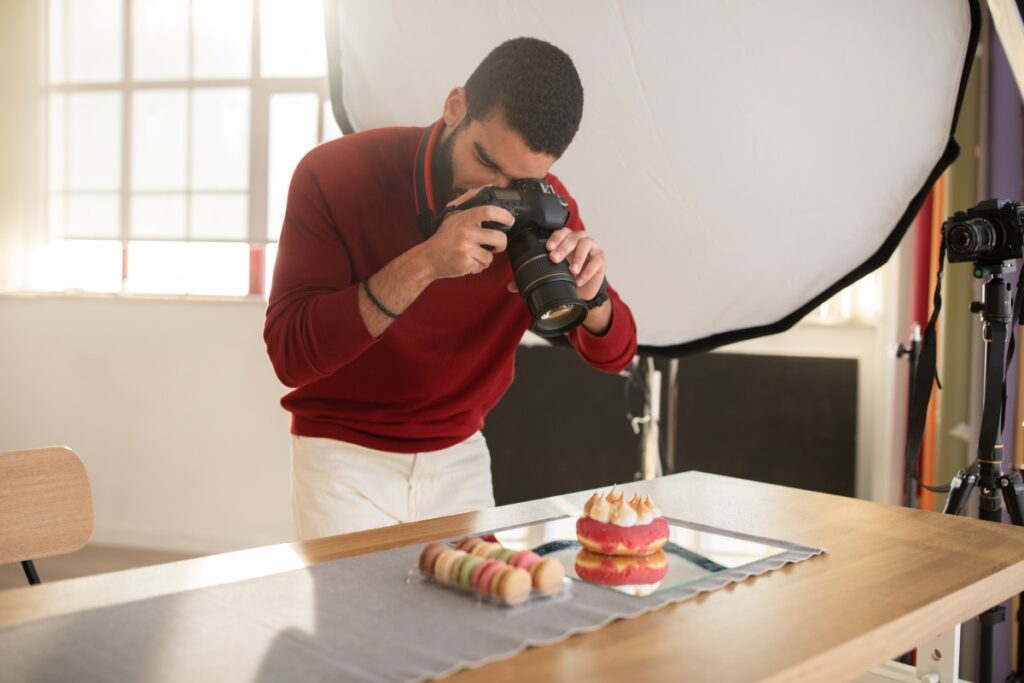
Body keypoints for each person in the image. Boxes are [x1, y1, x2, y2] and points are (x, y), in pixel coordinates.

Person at [264, 37, 637, 541]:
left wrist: (593, 297)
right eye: (484, 160)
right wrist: (424, 264)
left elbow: (614, 355)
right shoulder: (334, 174)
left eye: (520, 179)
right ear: (455, 106)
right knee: (354, 622)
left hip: (460, 457)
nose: (496, 190)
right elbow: (291, 356)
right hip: (341, 460)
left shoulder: (543, 203)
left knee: (474, 618)